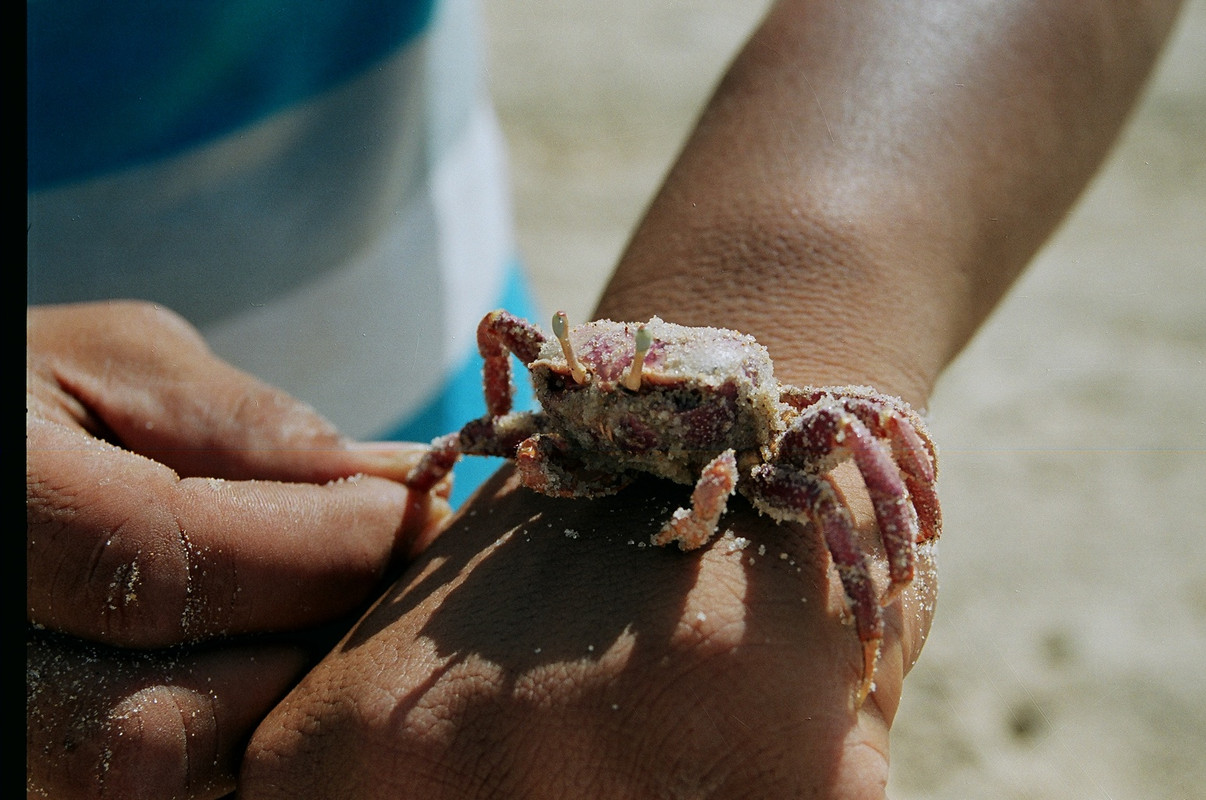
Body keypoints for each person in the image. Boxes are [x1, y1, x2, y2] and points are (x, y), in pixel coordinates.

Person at [26, 1, 1183, 798]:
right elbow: (502, 366)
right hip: (417, 483)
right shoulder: (539, 410)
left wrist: (825, 293)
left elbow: (883, 452)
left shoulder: (783, 439)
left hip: (439, 557)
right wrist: (477, 455)